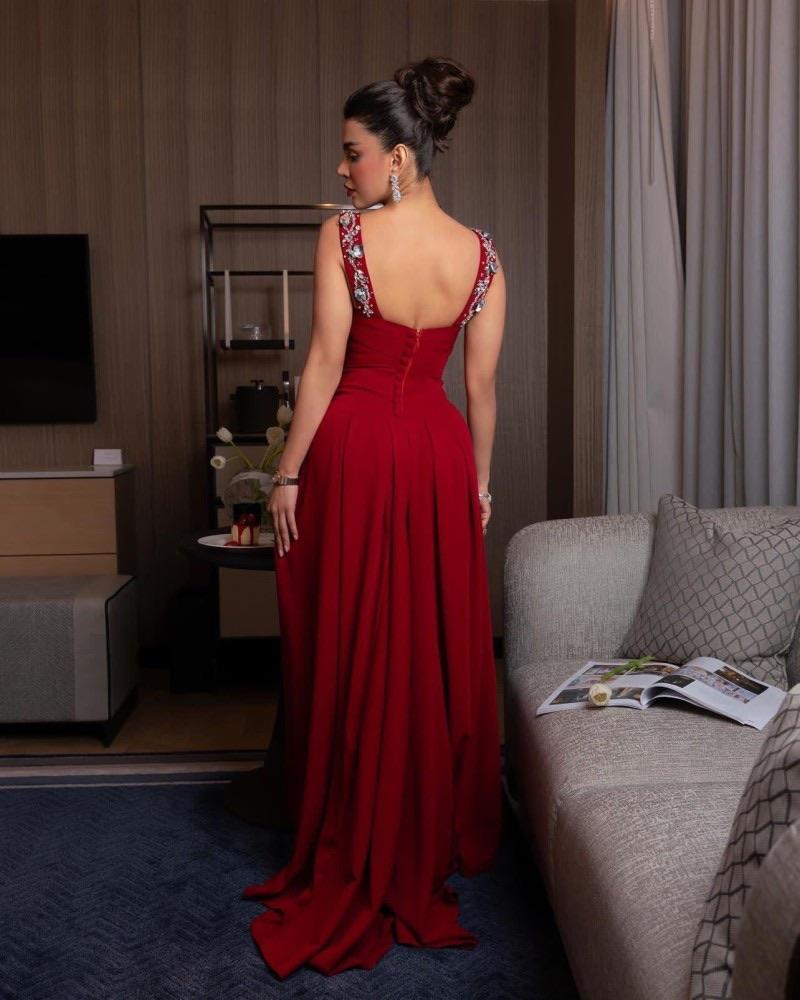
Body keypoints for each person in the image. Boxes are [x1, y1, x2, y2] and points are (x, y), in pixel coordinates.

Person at [241, 54, 507, 979]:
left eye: (351, 152)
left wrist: (286, 475)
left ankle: (351, 815)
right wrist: (479, 485)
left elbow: (323, 363)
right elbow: (481, 389)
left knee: (352, 634)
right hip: (436, 455)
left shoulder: (347, 237)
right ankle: (416, 825)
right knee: (421, 642)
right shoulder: (482, 253)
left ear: (396, 155)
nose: (342, 168)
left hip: (355, 446)